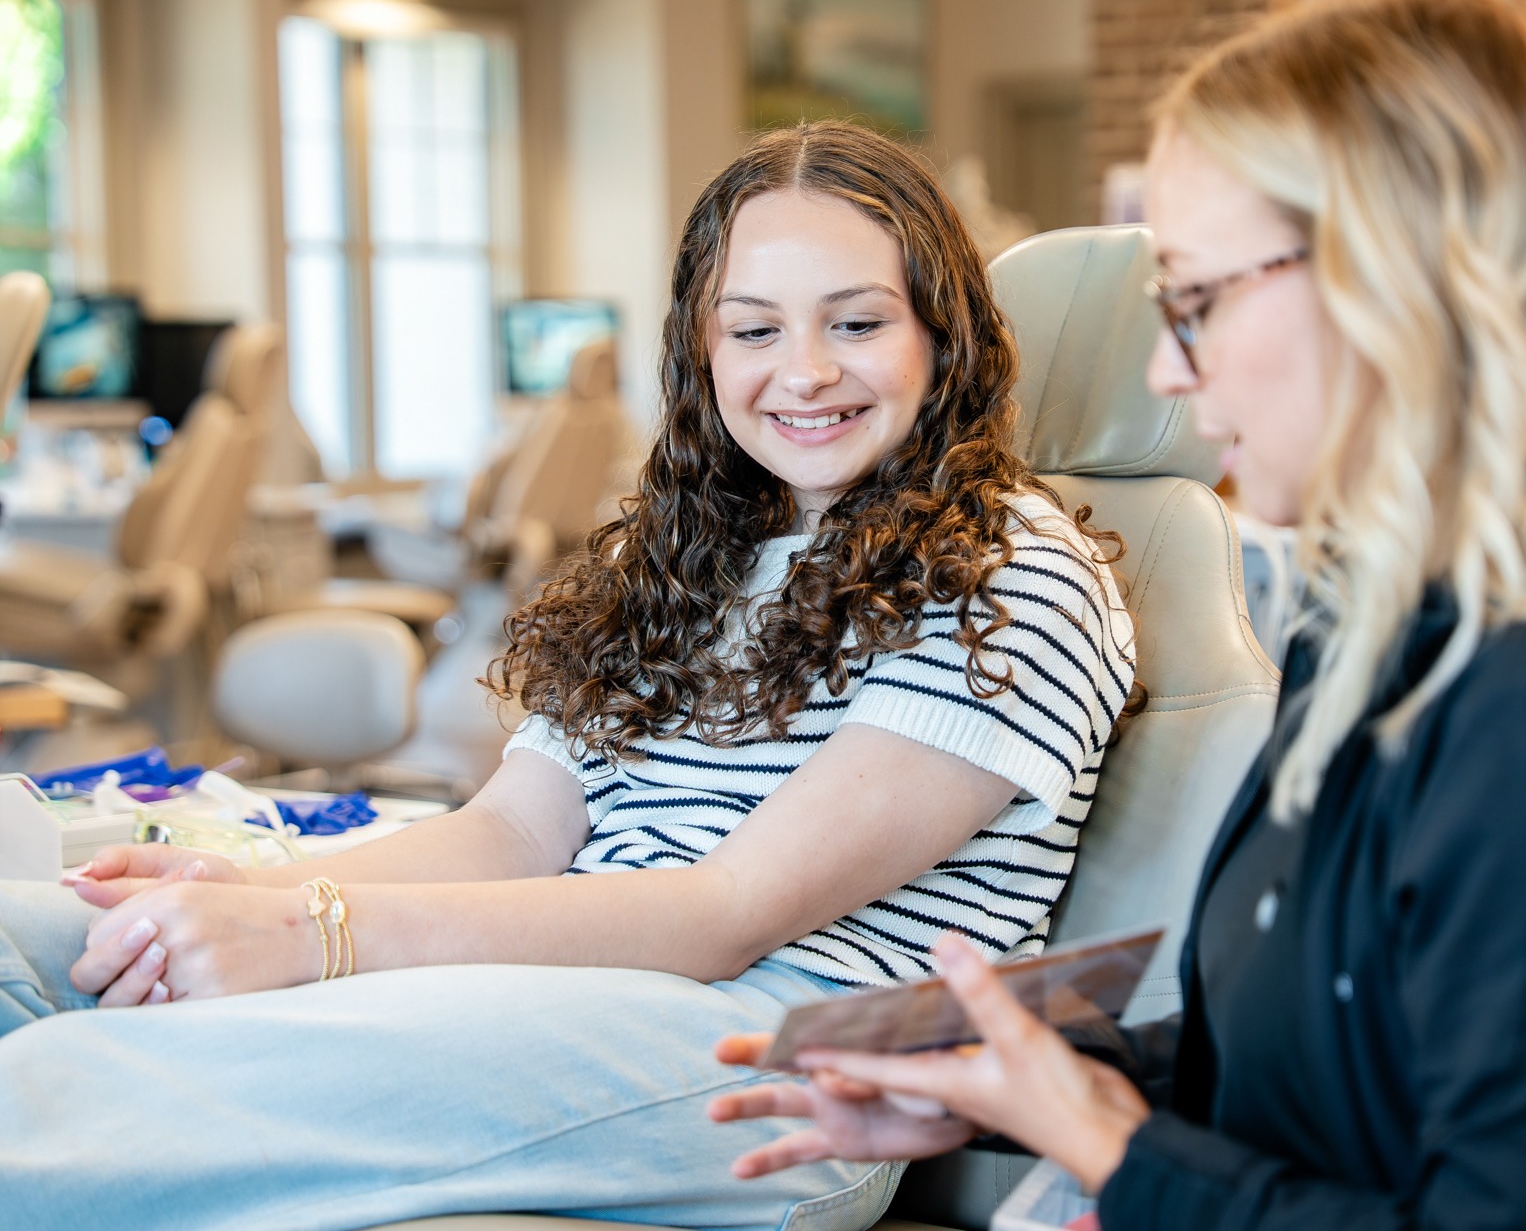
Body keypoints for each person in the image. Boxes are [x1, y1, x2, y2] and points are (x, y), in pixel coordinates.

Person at [709, 0, 1526, 1230]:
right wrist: (1017, 1087)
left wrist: (1121, 1154)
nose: (1162, 366)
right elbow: (1320, 1033)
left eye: (1194, 301)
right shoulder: (1378, 635)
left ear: (1401, 281)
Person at [0, 120, 1135, 1231]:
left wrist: (315, 929)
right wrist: (236, 894)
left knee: (110, 1083)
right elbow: (506, 835)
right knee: (28, 936)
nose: (803, 371)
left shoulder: (1012, 575)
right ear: (700, 346)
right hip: (582, 980)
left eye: (855, 322)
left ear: (945, 333)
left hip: (776, 1051)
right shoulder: (694, 553)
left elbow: (724, 915)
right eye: (752, 330)